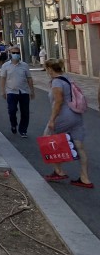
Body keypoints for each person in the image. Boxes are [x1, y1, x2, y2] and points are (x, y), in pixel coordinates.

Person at [42, 59, 92, 188]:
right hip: (76, 114)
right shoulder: (67, 78)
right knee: (79, 146)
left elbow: (58, 102)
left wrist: (52, 120)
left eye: (46, 68)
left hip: (63, 115)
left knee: (48, 140)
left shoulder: (57, 82)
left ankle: (59, 171)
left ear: (50, 69)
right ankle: (85, 178)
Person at [0, 49, 35, 136]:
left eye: (17, 53)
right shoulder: (5, 66)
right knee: (12, 110)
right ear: (10, 54)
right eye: (13, 53)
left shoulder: (24, 65)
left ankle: (23, 130)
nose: (15, 54)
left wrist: (32, 90)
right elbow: (3, 78)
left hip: (24, 91)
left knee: (25, 112)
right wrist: (2, 91)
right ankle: (13, 124)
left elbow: (29, 78)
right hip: (11, 91)